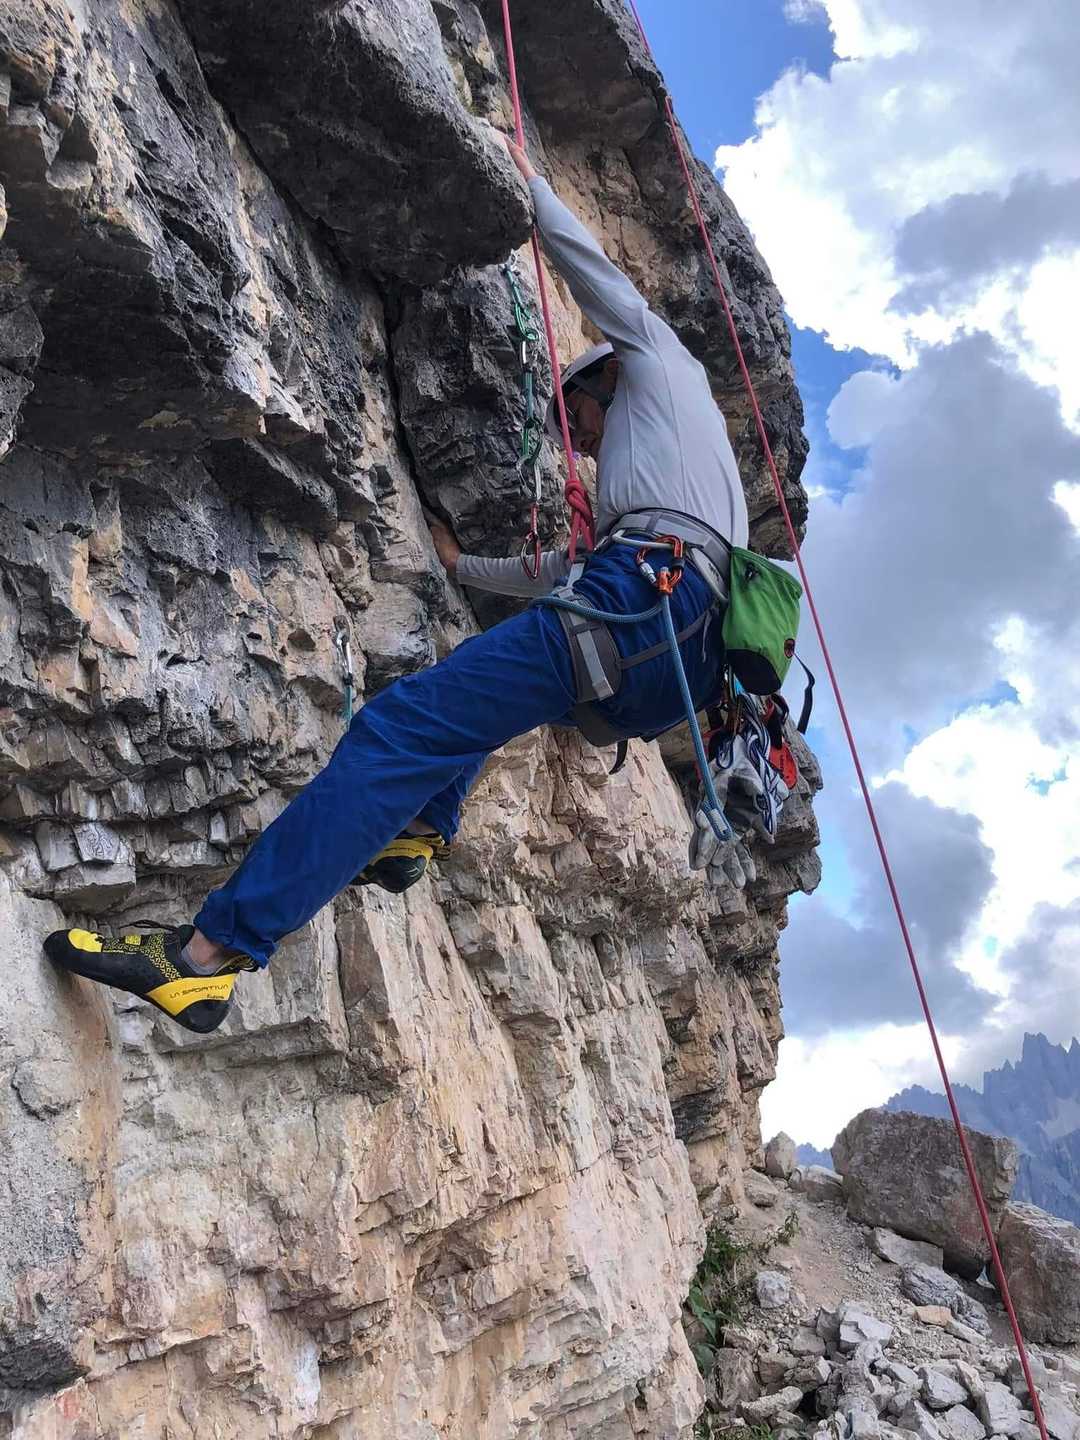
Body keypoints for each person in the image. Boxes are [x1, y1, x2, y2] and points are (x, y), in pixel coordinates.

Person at [44, 136, 750, 1035]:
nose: (580, 442)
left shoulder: (656, 362)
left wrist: (529, 180)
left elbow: (597, 278)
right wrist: (460, 569)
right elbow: (562, 577)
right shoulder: (686, 484)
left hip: (638, 607)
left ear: (608, 377)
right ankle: (421, 829)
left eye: (579, 419)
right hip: (668, 658)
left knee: (398, 729)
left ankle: (202, 960)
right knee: (479, 697)